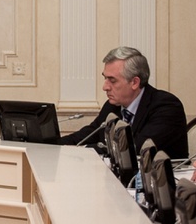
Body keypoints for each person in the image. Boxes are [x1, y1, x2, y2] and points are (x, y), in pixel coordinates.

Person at [58, 46, 188, 159]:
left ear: (134, 82)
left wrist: (85, 149)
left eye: (112, 80)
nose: (105, 87)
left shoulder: (166, 106)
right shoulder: (112, 106)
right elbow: (88, 135)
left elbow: (135, 149)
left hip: (164, 178)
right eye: (105, 78)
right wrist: (52, 144)